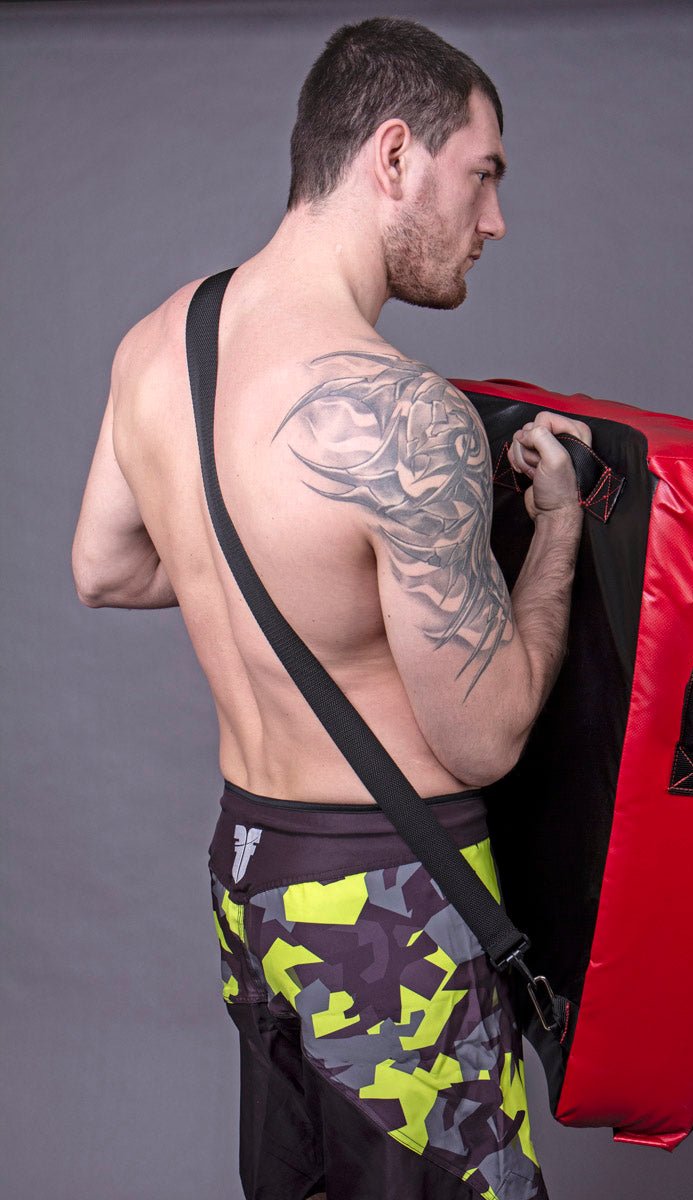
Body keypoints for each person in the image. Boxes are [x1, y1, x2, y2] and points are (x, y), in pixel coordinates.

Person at [72, 17, 589, 1200]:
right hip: (387, 908)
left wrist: (281, 562)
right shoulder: (406, 417)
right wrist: (558, 530)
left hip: (249, 879)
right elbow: (485, 737)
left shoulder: (159, 342)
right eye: (483, 175)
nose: (494, 220)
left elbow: (104, 567)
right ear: (395, 156)